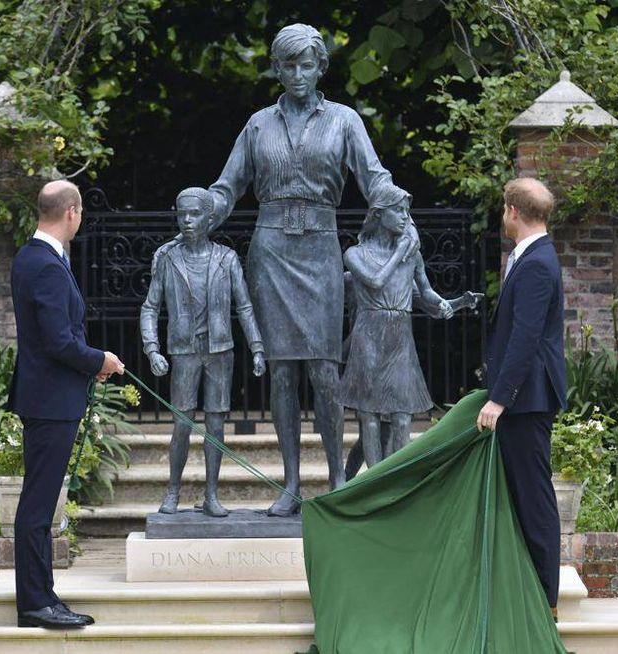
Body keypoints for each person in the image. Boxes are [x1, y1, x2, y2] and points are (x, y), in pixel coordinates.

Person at [200, 24, 418, 516]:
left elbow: (373, 177)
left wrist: (401, 212)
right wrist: (201, 213)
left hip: (320, 250)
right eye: (288, 65)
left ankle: (339, 478)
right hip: (271, 251)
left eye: (307, 65)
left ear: (321, 68)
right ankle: (292, 482)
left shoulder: (344, 121)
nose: (297, 74)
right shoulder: (258, 125)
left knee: (324, 369)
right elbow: (227, 186)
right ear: (276, 69)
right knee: (281, 372)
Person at [7, 180, 124, 629]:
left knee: (38, 503)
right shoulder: (48, 267)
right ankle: (36, 604)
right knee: (38, 506)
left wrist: (86, 365)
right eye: (80, 214)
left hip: (48, 395)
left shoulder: (29, 257)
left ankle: (42, 596)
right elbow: (58, 341)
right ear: (71, 212)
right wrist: (102, 360)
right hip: (52, 401)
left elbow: (50, 337)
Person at [140, 187, 266, 517]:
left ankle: (211, 494)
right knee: (181, 424)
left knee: (216, 425)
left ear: (210, 219)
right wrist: (152, 349)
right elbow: (150, 308)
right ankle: (173, 491)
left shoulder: (226, 259)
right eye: (182, 214)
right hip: (184, 351)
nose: (187, 221)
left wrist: (257, 347)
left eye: (194, 214)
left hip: (220, 350)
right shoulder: (168, 258)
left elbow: (245, 306)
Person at [476, 176, 568, 617]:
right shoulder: (529, 256)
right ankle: (528, 594)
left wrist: (500, 398)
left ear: (513, 211)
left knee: (534, 498)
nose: (502, 216)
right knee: (523, 495)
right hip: (523, 397)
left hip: (527, 400)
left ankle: (545, 602)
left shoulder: (535, 263)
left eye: (502, 209)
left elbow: (525, 339)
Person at [336, 185, 458, 468]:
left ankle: (397, 479)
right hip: (369, 332)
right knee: (370, 415)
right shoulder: (355, 254)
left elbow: (425, 292)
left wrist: (448, 303)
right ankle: (374, 481)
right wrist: (401, 250)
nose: (405, 217)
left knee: (402, 413)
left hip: (400, 334)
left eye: (407, 211)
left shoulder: (412, 256)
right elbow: (375, 282)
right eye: (398, 210)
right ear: (378, 214)